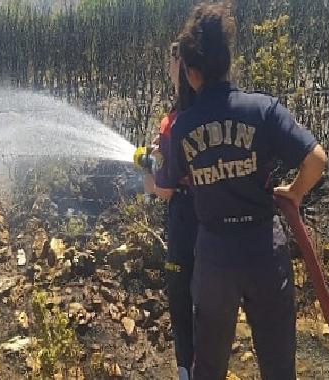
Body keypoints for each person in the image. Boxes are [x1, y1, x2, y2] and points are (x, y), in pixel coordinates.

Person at [159, 3, 327, 379]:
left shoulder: (182, 127)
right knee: (278, 364)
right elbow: (316, 159)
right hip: (263, 249)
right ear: (229, 61)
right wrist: (295, 193)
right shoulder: (263, 110)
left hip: (214, 257)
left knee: (210, 367)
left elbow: (169, 184)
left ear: (192, 72)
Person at [144, 42, 197, 380]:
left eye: (170, 58)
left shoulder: (174, 122)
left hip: (185, 223)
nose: (167, 65)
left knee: (181, 300)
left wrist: (148, 172)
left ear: (182, 63)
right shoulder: (211, 109)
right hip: (219, 226)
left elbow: (163, 189)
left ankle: (186, 371)